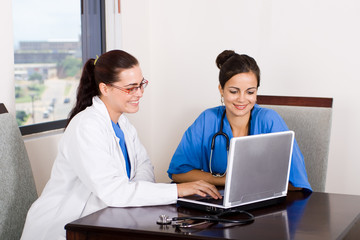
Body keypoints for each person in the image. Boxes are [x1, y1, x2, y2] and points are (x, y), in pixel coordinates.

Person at [21, 50, 221, 240]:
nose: (140, 93)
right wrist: (178, 190)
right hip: (65, 226)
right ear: (105, 88)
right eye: (130, 88)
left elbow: (145, 168)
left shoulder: (123, 124)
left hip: (108, 220)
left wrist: (132, 191)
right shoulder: (86, 126)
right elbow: (114, 192)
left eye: (141, 84)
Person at [167, 50, 312, 192]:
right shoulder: (207, 120)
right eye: (234, 91)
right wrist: (224, 180)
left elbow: (297, 183)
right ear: (221, 89)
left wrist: (248, 186)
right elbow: (178, 172)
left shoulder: (270, 121)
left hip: (264, 208)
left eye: (250, 92)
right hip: (218, 206)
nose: (242, 99)